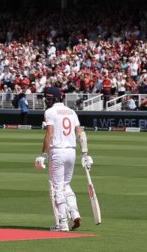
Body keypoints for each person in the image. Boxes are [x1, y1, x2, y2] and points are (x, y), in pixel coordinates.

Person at [34, 86, 93, 232]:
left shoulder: (50, 112)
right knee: (66, 184)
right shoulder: (72, 112)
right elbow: (80, 134)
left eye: (47, 98)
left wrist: (43, 155)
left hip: (58, 151)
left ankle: (62, 223)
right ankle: (74, 213)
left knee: (57, 187)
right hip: (71, 152)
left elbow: (49, 134)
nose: (45, 101)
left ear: (52, 98)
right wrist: (85, 154)